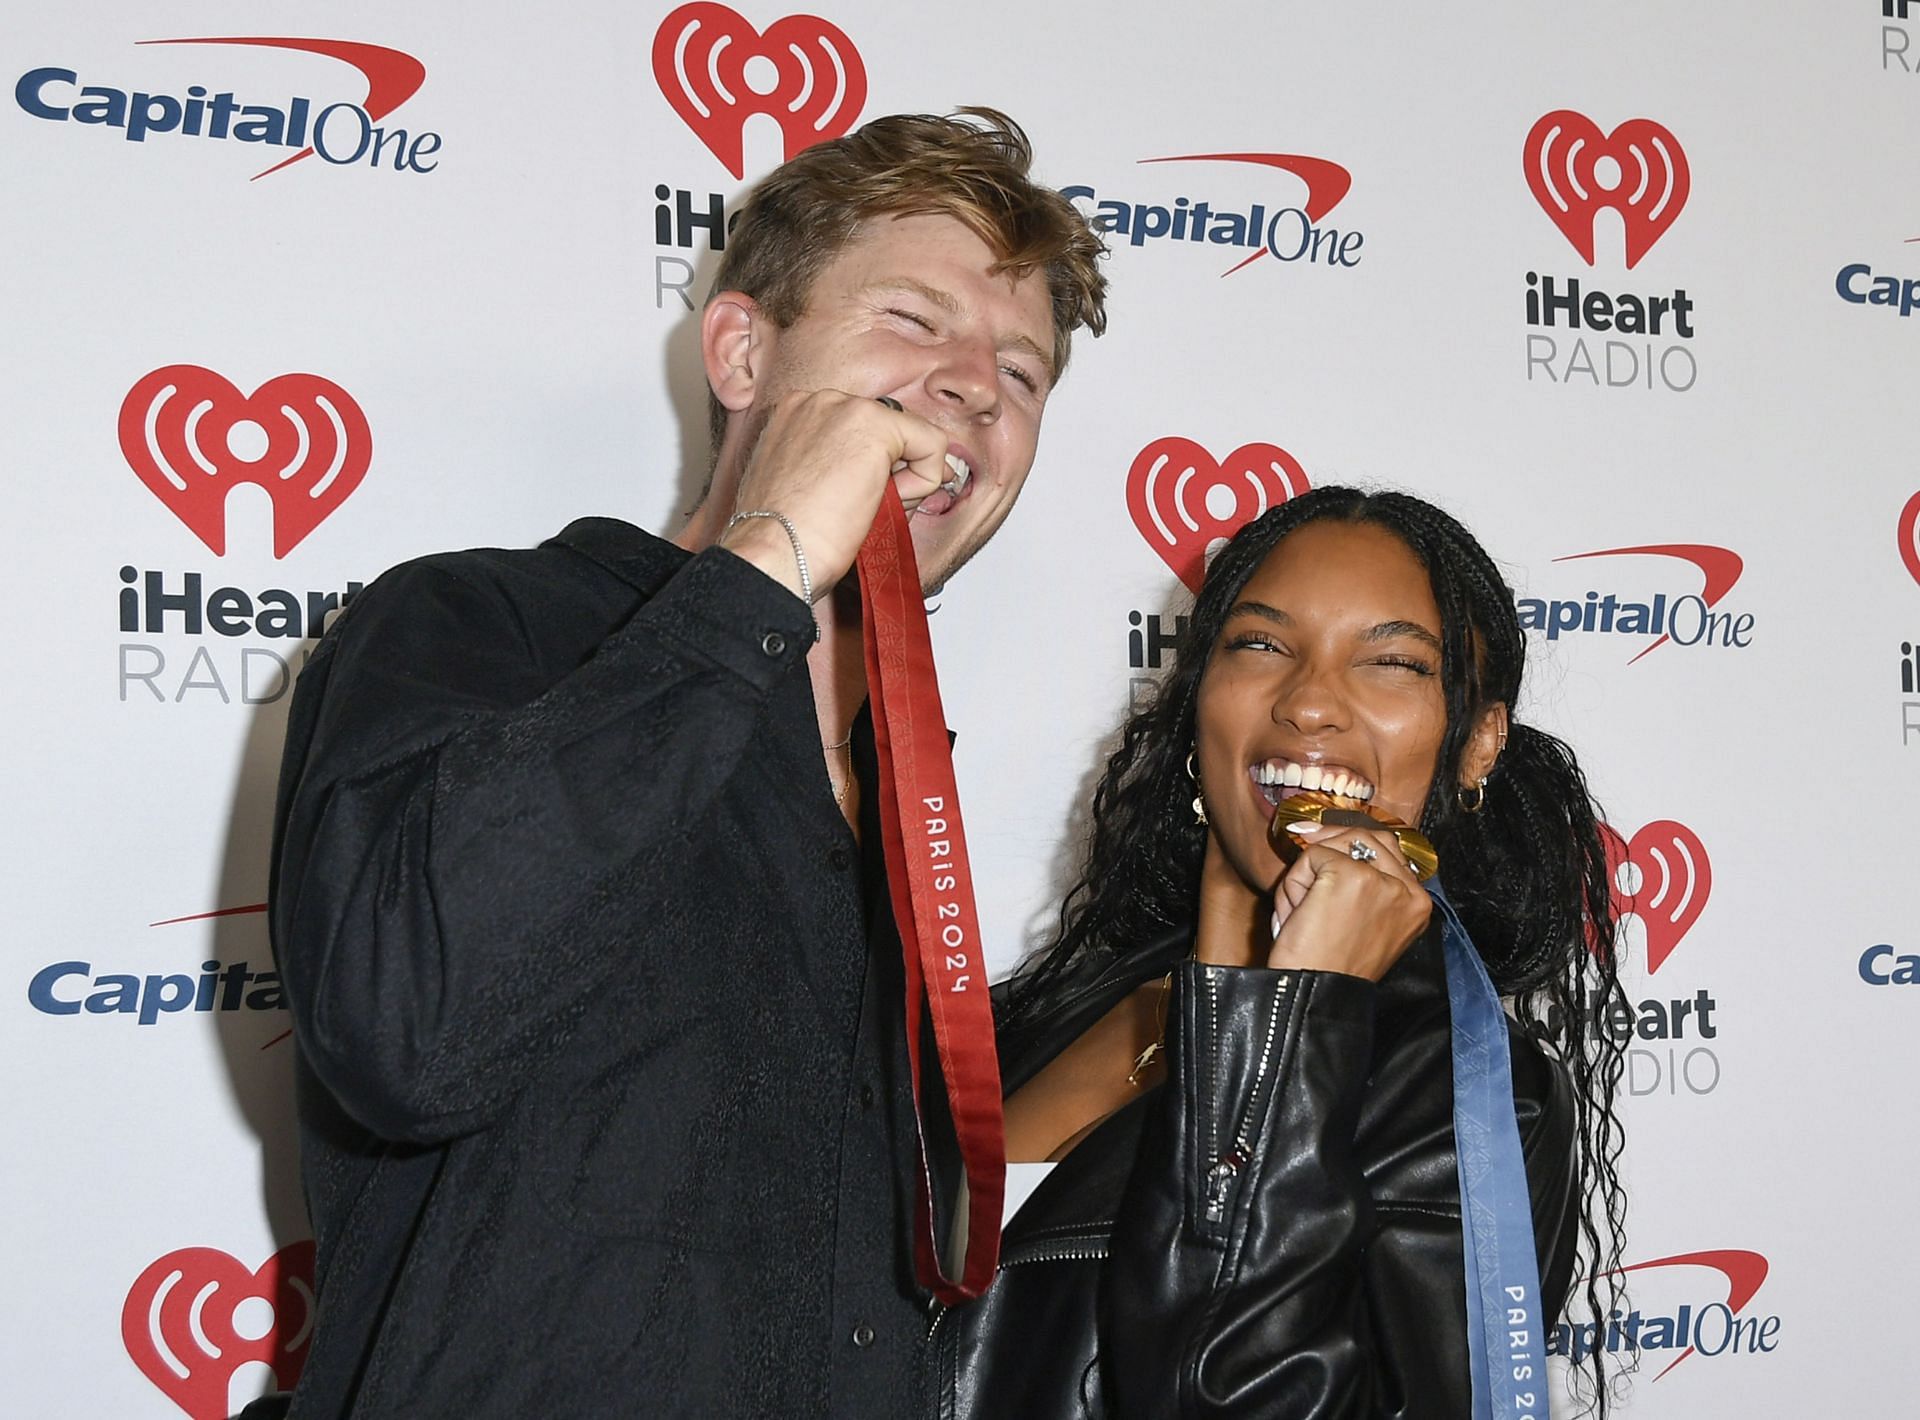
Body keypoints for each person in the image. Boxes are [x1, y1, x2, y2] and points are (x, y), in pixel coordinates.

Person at [263, 109, 1106, 1418]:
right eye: (913, 318)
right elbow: (406, 1035)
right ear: (740, 350)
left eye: (1024, 371)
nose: (975, 386)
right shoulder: (478, 626)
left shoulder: (905, 795)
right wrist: (764, 566)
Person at [936, 487, 1629, 1417]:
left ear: (1477, 745)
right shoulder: (1092, 993)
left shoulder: (1472, 1100)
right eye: (1260, 645)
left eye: (1392, 663)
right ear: (1197, 699)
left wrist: (1307, 1013)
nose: (1308, 704)